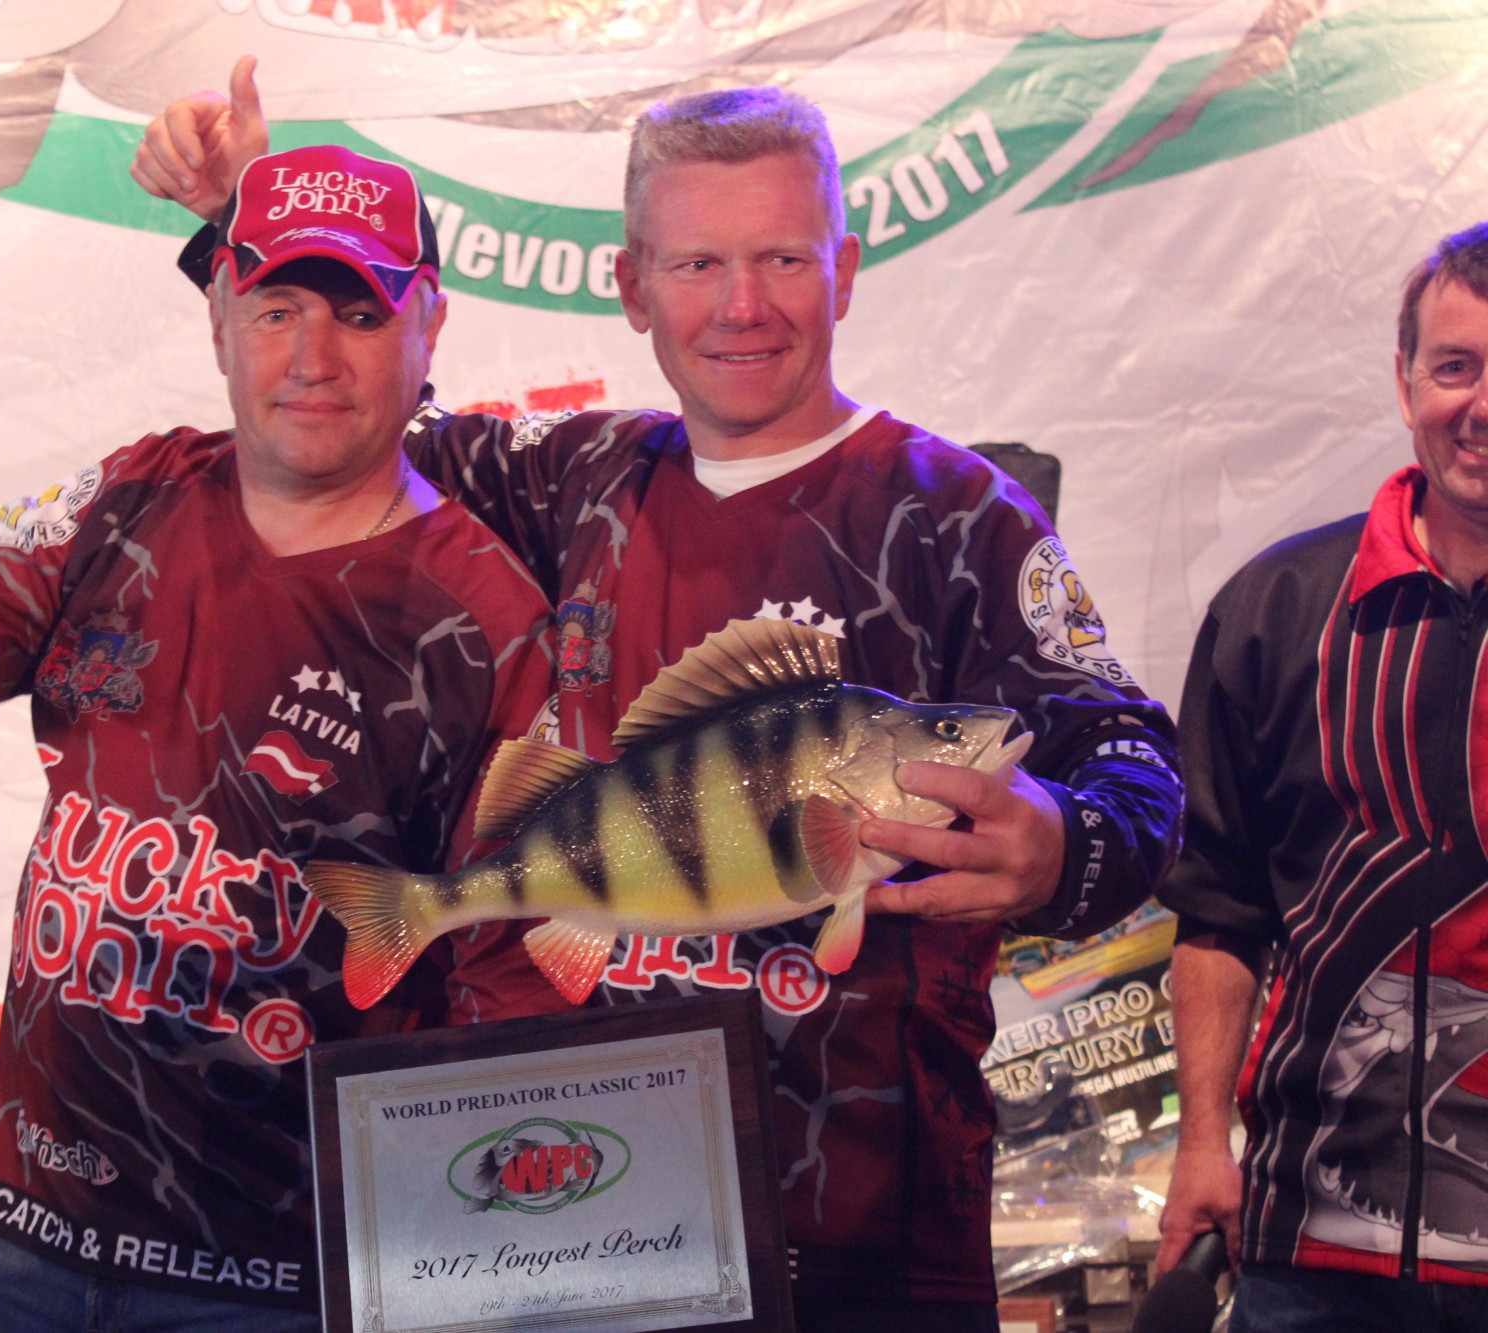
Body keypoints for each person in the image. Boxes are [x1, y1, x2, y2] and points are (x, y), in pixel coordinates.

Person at [137, 67, 1186, 1331]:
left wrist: (1062, 846)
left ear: (845, 271)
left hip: (858, 1241)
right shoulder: (566, 478)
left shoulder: (957, 516)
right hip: (562, 1225)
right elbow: (341, 415)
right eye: (695, 264)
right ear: (631, 287)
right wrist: (239, 221)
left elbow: (1131, 761)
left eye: (782, 259)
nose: (740, 305)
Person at [0, 145, 557, 1332]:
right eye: (275, 308)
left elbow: (514, 976)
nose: (311, 358)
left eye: (360, 314)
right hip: (28, 1240)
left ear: (427, 322)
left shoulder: (485, 623)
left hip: (285, 1277)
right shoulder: (136, 493)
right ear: (218, 318)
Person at [1154, 223, 1488, 1331]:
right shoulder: (1278, 609)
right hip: (1310, 1248)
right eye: (1455, 365)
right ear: (1404, 381)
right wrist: (1201, 1143)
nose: (1481, 405)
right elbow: (1219, 911)